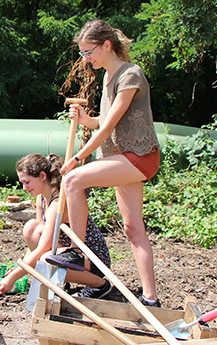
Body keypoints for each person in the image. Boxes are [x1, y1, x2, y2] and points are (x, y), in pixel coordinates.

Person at [45, 20, 162, 307]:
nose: (85, 59)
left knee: (72, 180)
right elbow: (104, 121)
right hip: (121, 158)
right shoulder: (110, 77)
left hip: (138, 155)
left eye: (88, 52)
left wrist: (78, 157)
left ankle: (75, 250)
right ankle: (151, 298)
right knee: (133, 227)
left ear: (106, 45)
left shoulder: (130, 75)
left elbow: (108, 127)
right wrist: (86, 120)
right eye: (83, 53)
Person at [0, 153, 112, 299]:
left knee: (46, 260)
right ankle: (61, 281)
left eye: (27, 182)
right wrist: (20, 267)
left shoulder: (58, 204)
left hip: (90, 257)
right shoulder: (41, 198)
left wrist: (13, 277)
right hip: (66, 253)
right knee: (32, 228)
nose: (24, 187)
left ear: (42, 176)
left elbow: (43, 248)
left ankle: (100, 285)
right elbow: (37, 243)